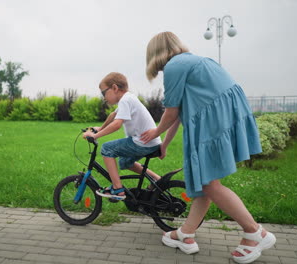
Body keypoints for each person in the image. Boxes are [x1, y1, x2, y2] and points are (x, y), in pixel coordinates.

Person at [140, 32, 276, 264]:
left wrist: (155, 132)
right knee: (207, 182)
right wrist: (165, 143)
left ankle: (255, 233)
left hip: (213, 119)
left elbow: (171, 111)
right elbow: (180, 113)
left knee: (208, 184)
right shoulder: (195, 62)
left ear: (155, 54)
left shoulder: (174, 66)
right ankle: (186, 233)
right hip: (225, 114)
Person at [83, 72, 162, 200]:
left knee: (107, 148)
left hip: (142, 142)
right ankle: (157, 179)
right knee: (125, 162)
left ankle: (117, 189)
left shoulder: (125, 100)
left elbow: (116, 124)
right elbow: (113, 116)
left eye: (103, 93)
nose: (104, 98)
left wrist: (95, 137)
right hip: (149, 142)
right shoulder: (127, 98)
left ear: (114, 88)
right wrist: (99, 129)